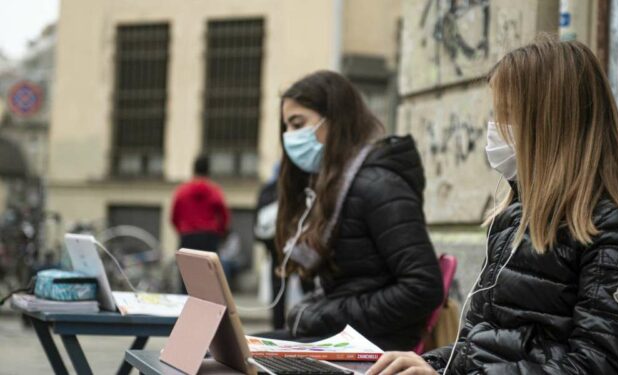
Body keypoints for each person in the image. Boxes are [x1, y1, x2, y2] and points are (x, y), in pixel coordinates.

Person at [368, 37, 618, 374]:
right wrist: (432, 363)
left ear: (552, 122)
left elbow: (595, 366)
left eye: (507, 115)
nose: (495, 128)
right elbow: (483, 343)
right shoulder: (516, 216)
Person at [257, 70, 444, 351]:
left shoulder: (378, 186)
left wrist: (324, 315)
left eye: (298, 124)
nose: (289, 137)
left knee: (223, 363)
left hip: (375, 348)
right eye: (286, 127)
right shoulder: (338, 185)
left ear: (335, 121)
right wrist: (317, 312)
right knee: (225, 351)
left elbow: (423, 288)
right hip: (346, 340)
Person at [254, 163, 314, 330]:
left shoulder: (272, 189)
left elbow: (258, 222)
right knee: (304, 288)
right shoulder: (302, 189)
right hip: (289, 248)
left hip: (282, 248)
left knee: (285, 288)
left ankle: (282, 325)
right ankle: (305, 322)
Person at [171, 155, 230, 292]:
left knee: (186, 278)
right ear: (208, 170)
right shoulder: (214, 191)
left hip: (188, 237)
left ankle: (185, 309)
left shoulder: (182, 191)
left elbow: (174, 217)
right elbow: (224, 215)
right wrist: (220, 232)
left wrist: (182, 231)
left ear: (193, 169)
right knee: (209, 280)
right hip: (208, 237)